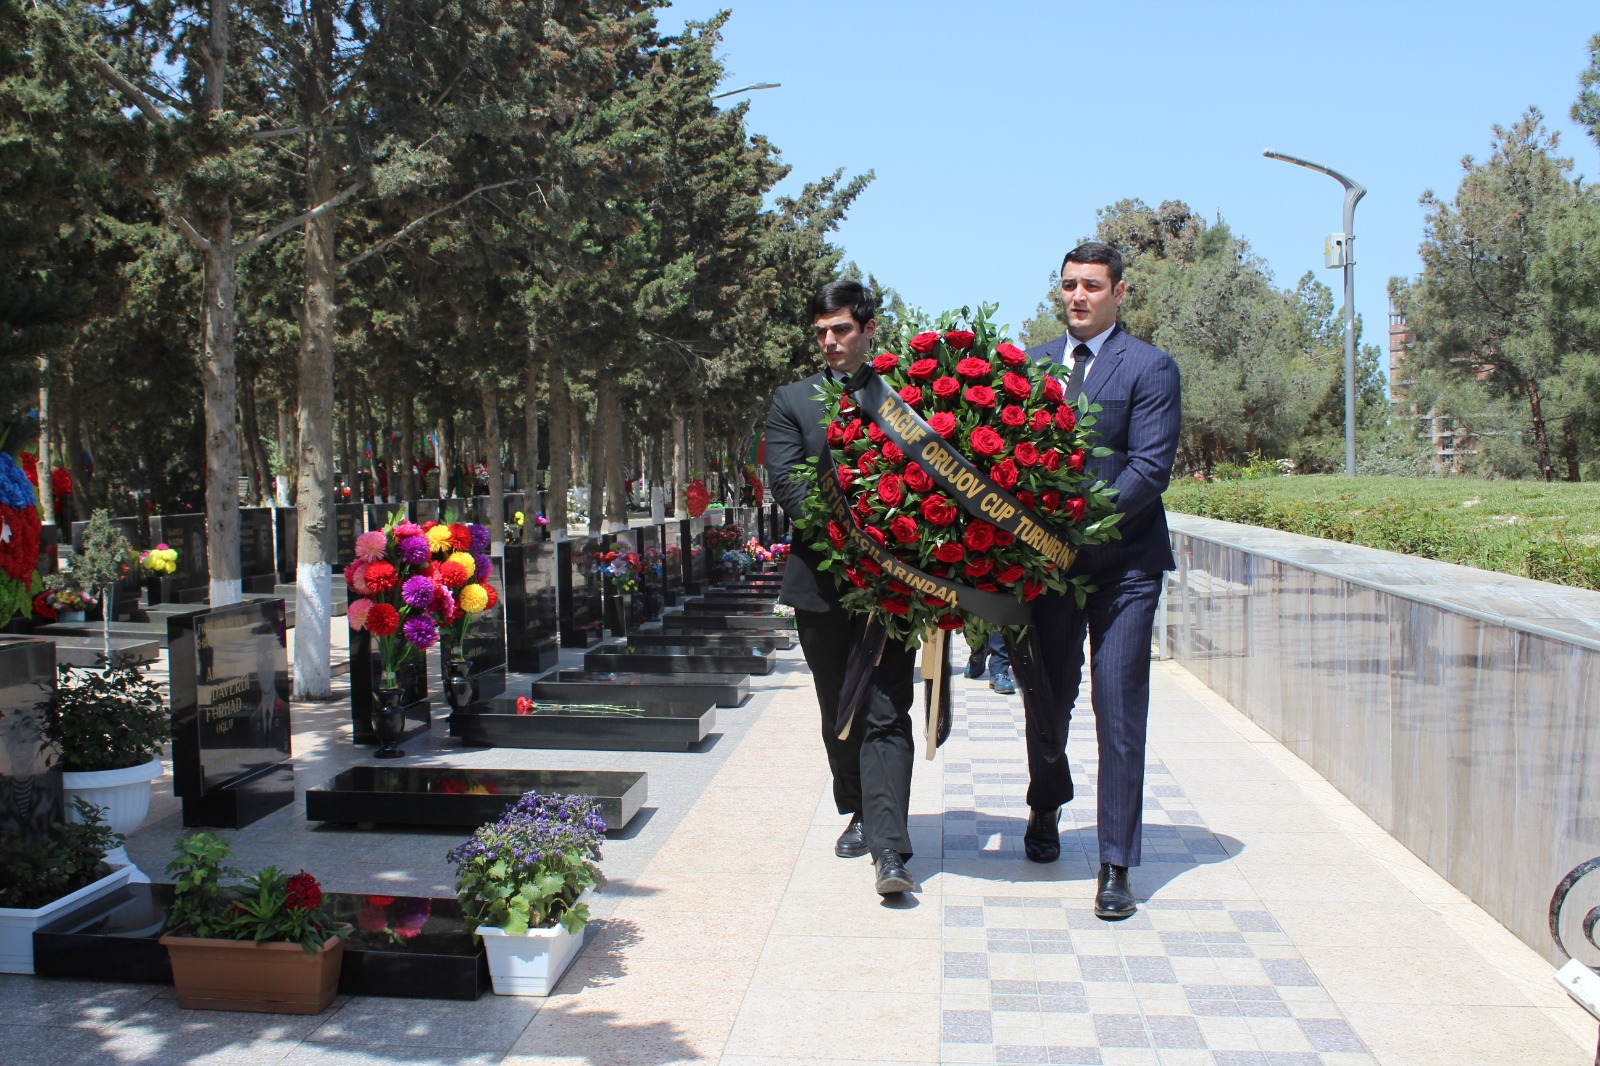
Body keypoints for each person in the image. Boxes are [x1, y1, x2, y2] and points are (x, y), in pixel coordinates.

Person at [1023, 242, 1181, 921]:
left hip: (1124, 569)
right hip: (1046, 569)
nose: (1078, 297)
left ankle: (1116, 862)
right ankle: (1046, 802)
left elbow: (1148, 469)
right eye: (1068, 286)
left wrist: (1080, 528)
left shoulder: (1149, 366)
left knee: (1117, 710)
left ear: (1119, 291)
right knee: (1045, 698)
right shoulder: (1029, 366)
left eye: (1091, 285)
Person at [765, 279, 920, 896]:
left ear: (868, 330)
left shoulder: (903, 398)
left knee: (886, 707)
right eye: (822, 332)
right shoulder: (792, 401)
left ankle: (891, 849)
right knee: (840, 708)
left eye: (842, 330)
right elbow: (790, 486)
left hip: (893, 586)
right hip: (822, 584)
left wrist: (891, 549)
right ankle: (856, 805)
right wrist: (852, 540)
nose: (830, 342)